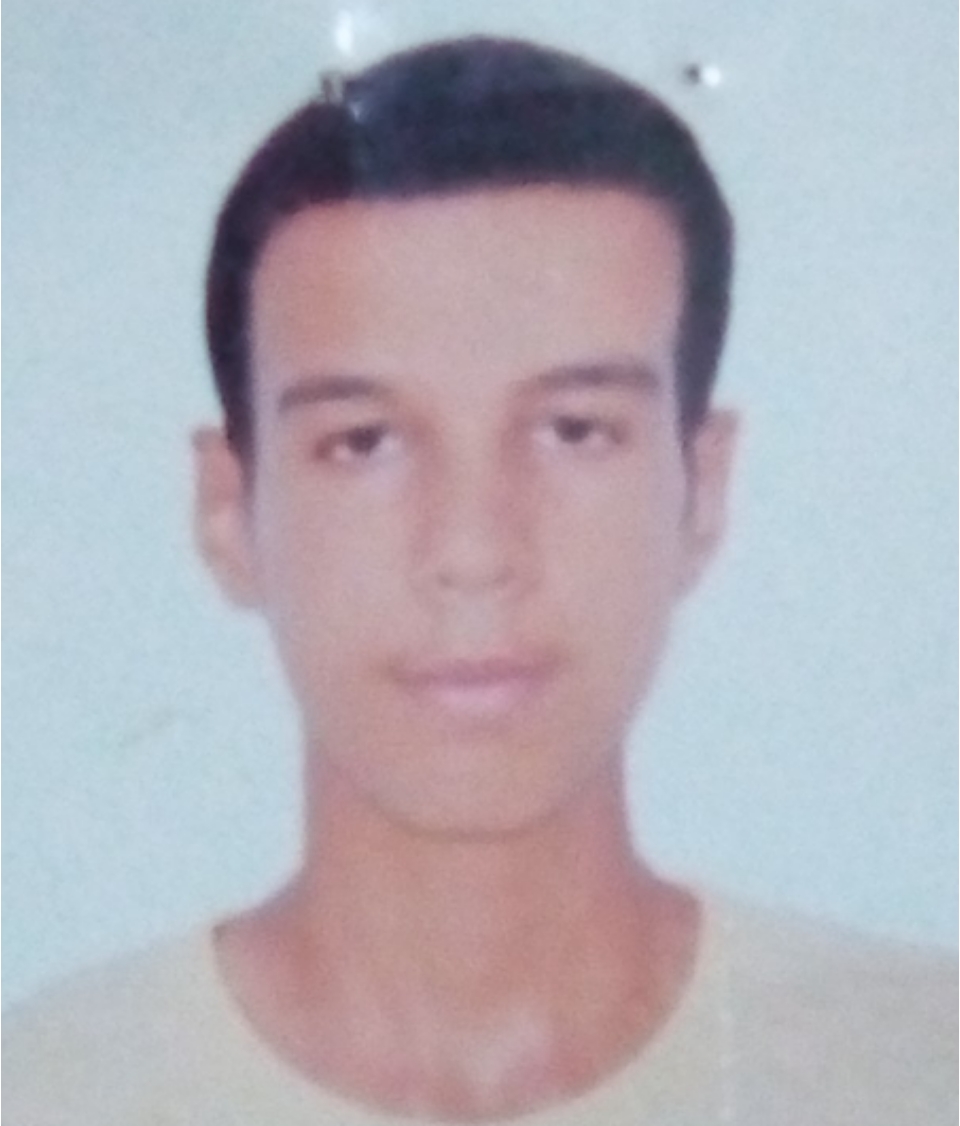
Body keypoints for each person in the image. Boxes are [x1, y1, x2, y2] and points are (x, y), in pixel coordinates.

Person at [5, 35, 954, 1126]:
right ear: (229, 512)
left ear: (701, 490)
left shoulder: (921, 1072)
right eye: (364, 442)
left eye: (573, 430)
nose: (473, 553)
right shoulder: (42, 1093)